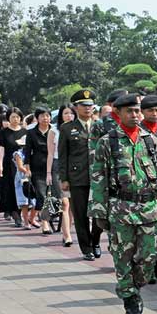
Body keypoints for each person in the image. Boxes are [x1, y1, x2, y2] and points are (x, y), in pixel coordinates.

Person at [89, 93, 157, 314]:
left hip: (149, 208)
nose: (135, 115)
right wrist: (99, 212)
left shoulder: (151, 140)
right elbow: (98, 178)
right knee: (122, 257)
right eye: (130, 111)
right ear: (118, 113)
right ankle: (131, 300)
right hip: (121, 209)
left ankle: (132, 286)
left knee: (150, 256)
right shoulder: (108, 142)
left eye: (138, 111)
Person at [59, 89, 103, 261]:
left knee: (100, 212)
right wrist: (64, 178)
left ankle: (96, 240)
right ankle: (86, 248)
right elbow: (63, 155)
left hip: (99, 176)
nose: (87, 108)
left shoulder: (100, 126)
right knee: (81, 214)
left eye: (90, 105)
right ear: (76, 107)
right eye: (83, 106)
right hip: (78, 177)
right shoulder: (67, 128)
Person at [23, 106, 55, 234]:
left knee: (53, 196)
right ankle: (45, 222)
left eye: (47, 115)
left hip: (54, 167)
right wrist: (27, 168)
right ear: (37, 118)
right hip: (37, 168)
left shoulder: (54, 131)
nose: (45, 118)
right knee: (42, 195)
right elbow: (27, 151)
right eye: (42, 116)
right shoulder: (31, 133)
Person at [47, 104, 75, 246]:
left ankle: (67, 230)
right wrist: (48, 173)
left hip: (75, 167)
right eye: (66, 113)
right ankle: (67, 235)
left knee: (71, 204)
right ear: (60, 115)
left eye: (71, 113)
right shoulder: (54, 131)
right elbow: (51, 154)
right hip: (58, 167)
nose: (69, 116)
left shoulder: (78, 130)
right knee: (64, 202)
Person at [0, 107, 27, 227]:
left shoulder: (25, 132)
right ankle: (15, 215)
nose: (15, 119)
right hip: (9, 165)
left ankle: (22, 212)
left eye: (18, 117)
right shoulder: (3, 133)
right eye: (13, 117)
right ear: (8, 118)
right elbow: (1, 149)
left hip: (23, 165)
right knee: (10, 190)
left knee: (23, 188)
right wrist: (0, 165)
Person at [89, 89, 128, 154]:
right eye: (119, 102)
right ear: (110, 104)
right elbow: (93, 150)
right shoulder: (100, 124)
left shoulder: (132, 122)